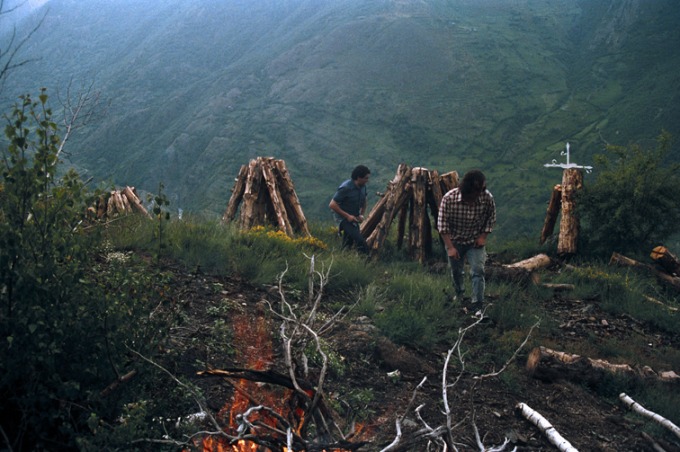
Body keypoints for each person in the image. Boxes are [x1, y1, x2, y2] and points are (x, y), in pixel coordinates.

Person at [437, 169, 496, 304]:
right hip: (454, 240)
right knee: (456, 272)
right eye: (474, 192)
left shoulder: (487, 198)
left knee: (478, 270)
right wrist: (450, 247)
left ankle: (478, 302)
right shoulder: (449, 199)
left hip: (474, 241)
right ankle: (460, 295)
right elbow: (442, 225)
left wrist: (483, 237)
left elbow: (491, 219)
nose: (477, 195)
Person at [329, 165, 371, 254]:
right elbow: (332, 204)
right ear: (359, 177)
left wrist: (361, 214)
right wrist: (347, 216)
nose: (367, 180)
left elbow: (364, 201)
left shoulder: (363, 187)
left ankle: (342, 259)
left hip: (354, 218)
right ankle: (367, 261)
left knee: (348, 243)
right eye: (366, 178)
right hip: (343, 219)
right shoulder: (346, 187)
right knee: (360, 241)